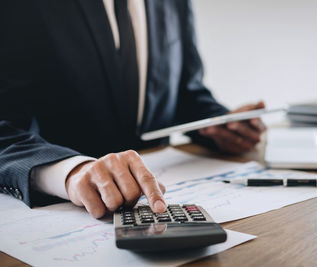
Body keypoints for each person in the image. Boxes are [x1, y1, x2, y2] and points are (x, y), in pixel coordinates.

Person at [0, 0, 266, 218]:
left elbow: (186, 93)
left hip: (163, 195)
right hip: (63, 215)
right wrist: (71, 171)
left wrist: (219, 124)